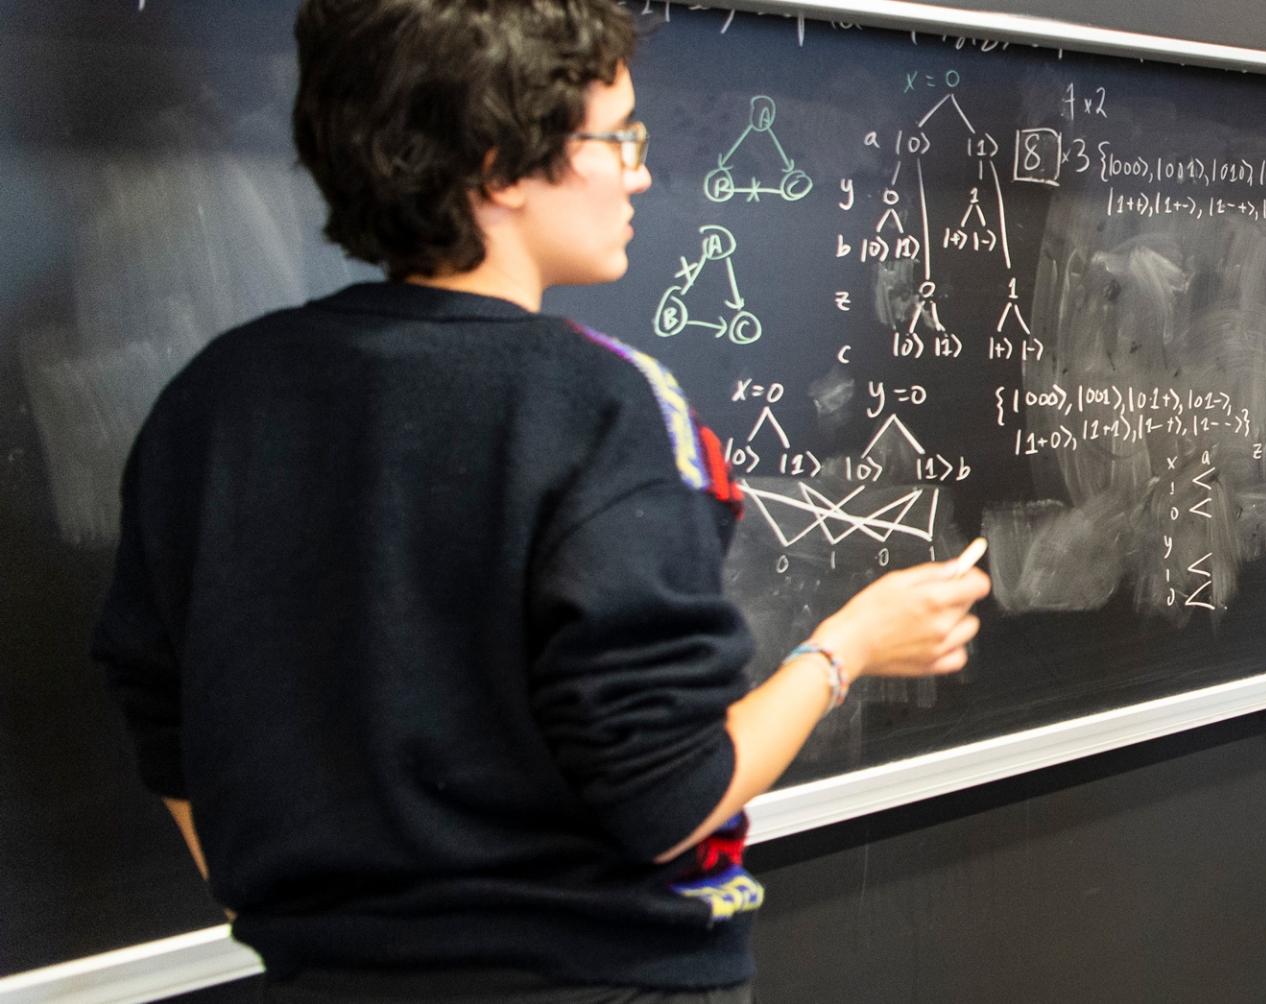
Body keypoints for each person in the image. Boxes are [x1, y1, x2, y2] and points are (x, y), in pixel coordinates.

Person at [92, 2, 991, 1000]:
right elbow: (667, 795)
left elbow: (162, 716)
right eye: (618, 138)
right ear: (501, 167)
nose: (641, 170)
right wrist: (848, 647)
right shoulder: (599, 410)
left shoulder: (211, 404)